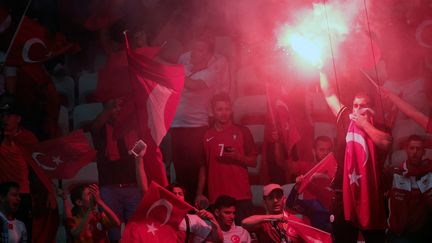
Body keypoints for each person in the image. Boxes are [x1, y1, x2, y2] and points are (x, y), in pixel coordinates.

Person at [319, 72, 392, 243]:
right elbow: (329, 94)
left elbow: (386, 143)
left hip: (371, 196)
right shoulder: (346, 119)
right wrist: (321, 69)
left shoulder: (381, 128)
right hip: (343, 195)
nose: (357, 109)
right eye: (355, 105)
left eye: (362, 106)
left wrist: (365, 124)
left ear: (371, 108)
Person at [169, 34, 229, 203]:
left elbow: (192, 85)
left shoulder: (212, 73)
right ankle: (183, 206)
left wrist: (172, 71)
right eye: (194, 48)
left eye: (200, 49)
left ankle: (200, 203)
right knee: (180, 168)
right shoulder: (185, 67)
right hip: (177, 126)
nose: (194, 52)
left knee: (198, 168)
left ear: (208, 54)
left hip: (197, 127)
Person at [196, 93, 257, 224]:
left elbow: (253, 161)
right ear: (212, 111)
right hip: (216, 197)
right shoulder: (206, 135)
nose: (224, 113)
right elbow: (203, 167)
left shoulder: (243, 131)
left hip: (241, 195)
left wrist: (238, 157)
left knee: (244, 233)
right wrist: (199, 193)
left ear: (231, 110)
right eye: (219, 109)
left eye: (227, 109)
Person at [91, 98, 142, 242]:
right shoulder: (101, 129)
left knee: (135, 232)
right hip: (109, 188)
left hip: (133, 187)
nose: (117, 110)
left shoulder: (132, 127)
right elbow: (94, 126)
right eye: (113, 107)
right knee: (113, 232)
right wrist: (109, 108)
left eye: (119, 107)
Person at [0, 94, 38, 238]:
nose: (5, 119)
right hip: (2, 195)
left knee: (23, 235)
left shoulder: (28, 138)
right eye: (2, 115)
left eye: (9, 115)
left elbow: (38, 169)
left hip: (22, 195)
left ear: (18, 118)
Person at [386, 135, 432, 242]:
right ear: (407, 150)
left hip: (422, 234)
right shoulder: (395, 174)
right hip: (398, 234)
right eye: (412, 148)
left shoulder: (429, 174)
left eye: (418, 149)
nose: (415, 152)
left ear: (424, 152)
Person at [286, 136, 334, 232]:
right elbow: (288, 166)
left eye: (328, 150)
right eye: (322, 149)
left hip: (330, 217)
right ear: (313, 151)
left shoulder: (336, 169)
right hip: (311, 217)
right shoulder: (306, 167)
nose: (325, 153)